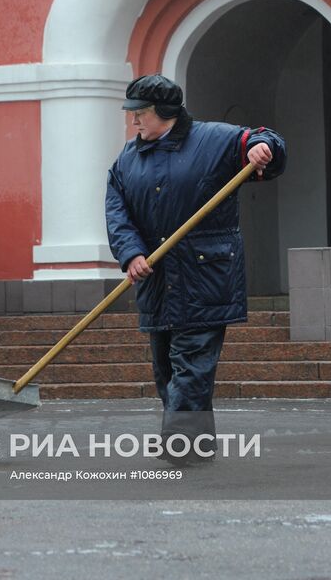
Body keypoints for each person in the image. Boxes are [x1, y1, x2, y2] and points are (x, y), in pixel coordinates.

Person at [105, 74, 286, 463]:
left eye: (142, 114)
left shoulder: (212, 139)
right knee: (165, 370)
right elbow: (117, 212)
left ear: (166, 113)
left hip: (205, 274)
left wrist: (261, 148)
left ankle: (177, 446)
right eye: (132, 114)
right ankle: (195, 445)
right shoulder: (126, 160)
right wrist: (131, 254)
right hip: (154, 277)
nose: (134, 121)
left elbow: (262, 138)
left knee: (191, 365)